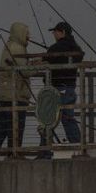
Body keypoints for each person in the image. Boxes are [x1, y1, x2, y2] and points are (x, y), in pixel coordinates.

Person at [37, 22, 84, 159]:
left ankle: (44, 152)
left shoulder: (56, 48)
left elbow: (45, 60)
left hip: (57, 88)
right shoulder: (76, 48)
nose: (53, 34)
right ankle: (78, 148)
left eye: (55, 31)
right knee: (68, 118)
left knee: (48, 119)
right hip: (70, 88)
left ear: (62, 32)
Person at [0, 22, 34, 155]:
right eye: (26, 33)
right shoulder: (17, 48)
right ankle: (13, 154)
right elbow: (24, 71)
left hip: (7, 95)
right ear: (20, 33)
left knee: (3, 126)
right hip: (15, 95)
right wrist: (39, 66)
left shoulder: (10, 46)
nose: (29, 36)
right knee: (16, 127)